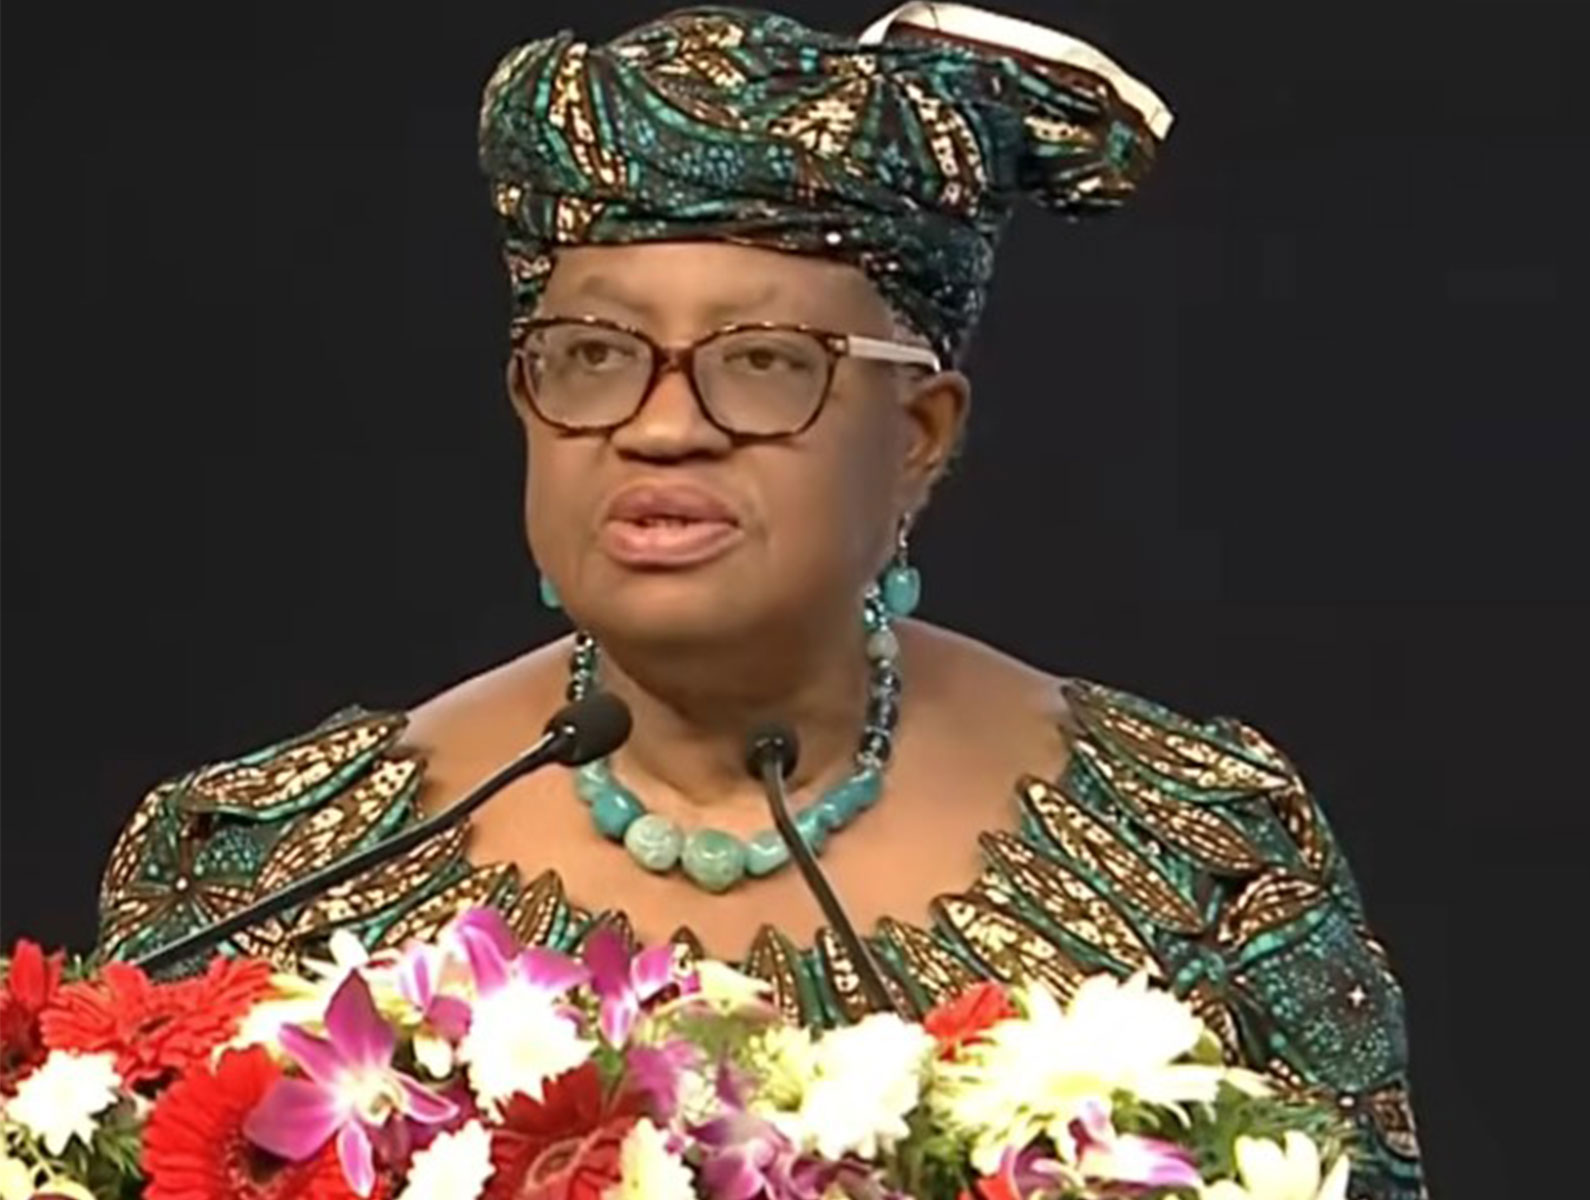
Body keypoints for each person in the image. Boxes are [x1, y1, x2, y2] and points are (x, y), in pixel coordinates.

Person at [91, 4, 1424, 1195]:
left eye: (765, 360)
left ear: (919, 432)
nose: (664, 428)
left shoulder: (1193, 864)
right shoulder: (275, 889)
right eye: (597, 354)